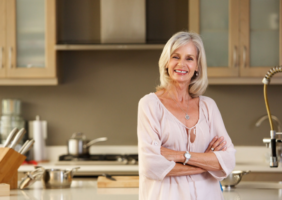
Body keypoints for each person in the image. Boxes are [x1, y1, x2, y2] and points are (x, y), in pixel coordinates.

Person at [137, 31, 236, 200]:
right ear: (167, 62)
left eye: (189, 58)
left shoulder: (208, 106)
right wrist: (206, 164)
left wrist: (180, 156)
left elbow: (228, 160)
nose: (181, 64)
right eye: (176, 57)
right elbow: (150, 165)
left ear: (197, 66)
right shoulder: (150, 105)